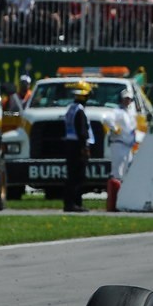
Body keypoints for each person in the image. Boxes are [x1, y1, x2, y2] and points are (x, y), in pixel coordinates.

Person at [62, 81, 94, 212]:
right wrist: (85, 148)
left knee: (71, 176)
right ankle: (74, 203)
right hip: (77, 147)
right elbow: (82, 131)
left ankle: (70, 203)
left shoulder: (71, 108)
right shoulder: (79, 111)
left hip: (70, 145)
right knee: (78, 177)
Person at [106, 89, 138, 211]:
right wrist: (115, 128)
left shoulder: (130, 113)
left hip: (128, 146)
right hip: (118, 144)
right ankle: (113, 203)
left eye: (129, 99)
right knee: (116, 172)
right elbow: (107, 119)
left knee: (126, 173)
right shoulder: (117, 111)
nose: (127, 101)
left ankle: (123, 202)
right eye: (125, 98)